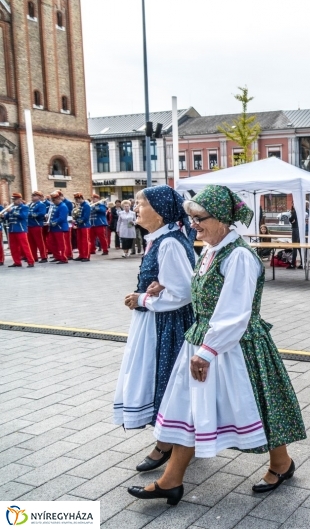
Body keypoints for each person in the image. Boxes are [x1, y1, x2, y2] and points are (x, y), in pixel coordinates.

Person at [128, 185, 305, 505]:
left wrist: (207, 351)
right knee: (189, 408)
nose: (193, 224)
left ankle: (281, 463)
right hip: (203, 339)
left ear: (222, 219)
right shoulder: (212, 249)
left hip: (235, 345)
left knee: (258, 405)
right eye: (192, 218)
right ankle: (171, 480)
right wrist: (161, 288)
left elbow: (236, 311)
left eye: (200, 218)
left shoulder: (239, 256)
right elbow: (199, 290)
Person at [113, 186, 196, 472]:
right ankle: (177, 440)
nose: (136, 208)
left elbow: (183, 293)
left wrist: (142, 300)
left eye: (141, 204)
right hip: (161, 321)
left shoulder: (169, 242)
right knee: (168, 382)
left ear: (159, 213)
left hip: (167, 325)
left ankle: (167, 443)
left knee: (167, 381)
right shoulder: (163, 239)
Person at [1, 193, 35, 267]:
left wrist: (11, 211)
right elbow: (7, 217)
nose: (13, 201)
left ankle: (31, 262)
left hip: (20, 229)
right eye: (13, 199)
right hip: (12, 229)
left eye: (15, 199)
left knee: (25, 246)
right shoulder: (12, 207)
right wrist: (3, 215)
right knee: (13, 247)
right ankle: (17, 262)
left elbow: (23, 216)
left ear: (20, 199)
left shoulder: (24, 207)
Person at [48, 191, 70, 264]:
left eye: (54, 200)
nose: (53, 202)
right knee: (53, 243)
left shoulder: (63, 206)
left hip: (60, 228)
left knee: (62, 244)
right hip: (54, 228)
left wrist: (51, 222)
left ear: (58, 199)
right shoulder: (55, 206)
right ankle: (57, 256)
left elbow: (62, 218)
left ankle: (64, 258)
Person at [27, 191, 48, 263]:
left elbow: (42, 213)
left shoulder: (41, 204)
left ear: (38, 197)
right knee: (31, 242)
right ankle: (34, 257)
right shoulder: (30, 204)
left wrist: (30, 214)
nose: (32, 197)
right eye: (32, 195)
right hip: (29, 225)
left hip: (37, 225)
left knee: (40, 242)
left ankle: (44, 257)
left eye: (34, 196)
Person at [72, 193, 92, 262]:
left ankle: (86, 256)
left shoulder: (86, 205)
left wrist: (76, 221)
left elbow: (86, 217)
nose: (76, 201)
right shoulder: (80, 205)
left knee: (85, 241)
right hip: (80, 225)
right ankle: (81, 255)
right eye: (76, 200)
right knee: (79, 241)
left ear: (81, 198)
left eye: (77, 199)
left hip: (85, 225)